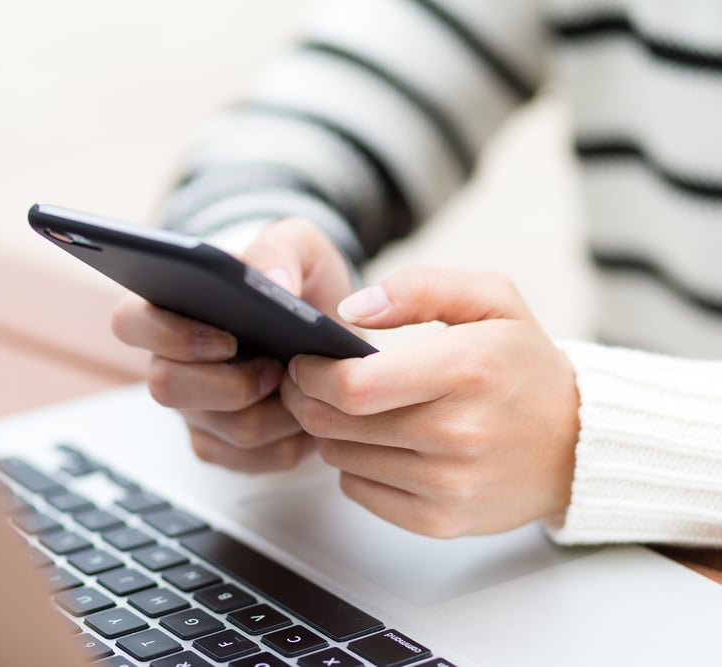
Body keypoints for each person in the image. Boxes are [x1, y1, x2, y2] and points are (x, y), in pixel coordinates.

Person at [112, 0, 722, 546]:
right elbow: (303, 118)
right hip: (598, 547)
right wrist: (255, 271)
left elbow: (582, 434)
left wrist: (589, 430)